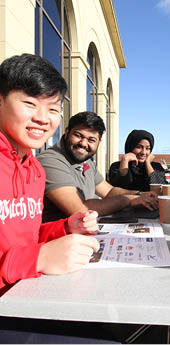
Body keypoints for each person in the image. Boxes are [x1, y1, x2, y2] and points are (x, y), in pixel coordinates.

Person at [0, 53, 119, 343]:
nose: (42, 118)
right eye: (29, 103)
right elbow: (27, 253)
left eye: (53, 108)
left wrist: (65, 228)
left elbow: (21, 238)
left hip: (28, 295)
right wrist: (39, 257)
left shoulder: (34, 170)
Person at [37, 112, 158, 222]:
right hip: (58, 239)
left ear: (99, 142)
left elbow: (109, 191)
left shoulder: (86, 161)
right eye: (78, 135)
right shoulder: (50, 160)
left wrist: (140, 194)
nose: (83, 143)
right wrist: (129, 200)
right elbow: (79, 209)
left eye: (91, 140)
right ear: (67, 131)